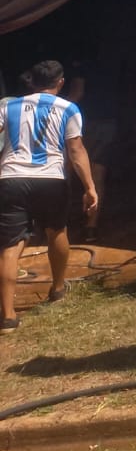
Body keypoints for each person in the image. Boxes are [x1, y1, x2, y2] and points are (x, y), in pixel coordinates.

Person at [0, 60, 98, 335]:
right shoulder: (69, 108)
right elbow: (76, 150)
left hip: (12, 178)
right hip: (51, 179)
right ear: (61, 82)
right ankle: (57, 288)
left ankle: (7, 316)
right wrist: (90, 186)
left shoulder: (8, 106)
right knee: (57, 231)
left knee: (9, 246)